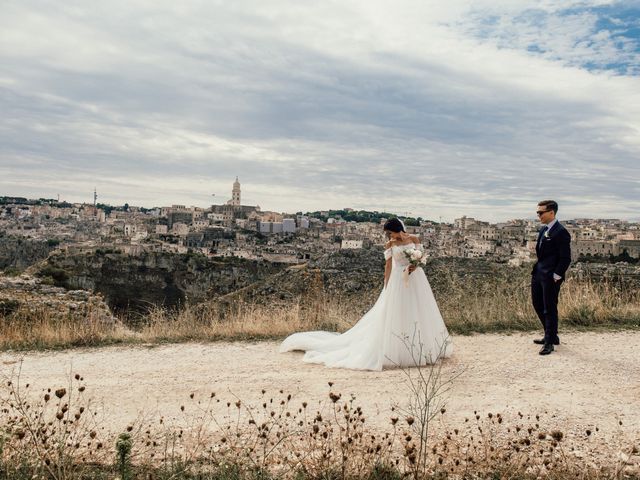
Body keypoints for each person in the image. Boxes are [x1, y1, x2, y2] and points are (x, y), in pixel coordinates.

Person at [279, 218, 452, 371]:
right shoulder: (390, 244)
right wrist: (387, 285)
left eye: (390, 232)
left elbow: (421, 256)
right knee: (397, 313)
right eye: (388, 233)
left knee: (419, 311)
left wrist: (416, 265)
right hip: (398, 280)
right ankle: (399, 351)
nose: (390, 236)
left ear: (398, 229)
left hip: (416, 279)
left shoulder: (414, 239)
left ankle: (425, 348)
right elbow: (388, 266)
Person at [531, 200, 571, 355]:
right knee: (537, 304)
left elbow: (565, 258)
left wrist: (556, 275)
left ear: (551, 213)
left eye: (541, 212)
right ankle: (551, 335)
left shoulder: (561, 232)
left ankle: (549, 342)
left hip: (550, 277)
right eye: (538, 213)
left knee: (549, 308)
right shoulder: (543, 230)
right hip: (538, 274)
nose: (538, 215)